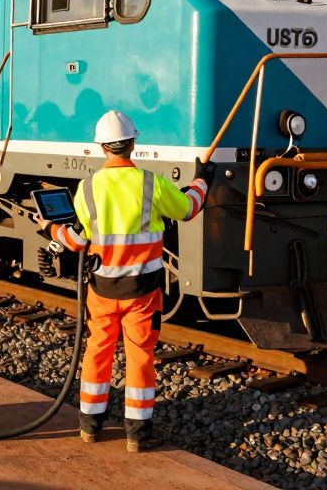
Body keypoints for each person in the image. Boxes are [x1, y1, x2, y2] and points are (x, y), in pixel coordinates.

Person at [34, 109, 213, 453]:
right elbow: (189, 208)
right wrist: (202, 181)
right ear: (132, 144)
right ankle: (137, 434)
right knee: (140, 356)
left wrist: (49, 228)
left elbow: (78, 240)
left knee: (97, 351)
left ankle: (90, 426)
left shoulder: (87, 188)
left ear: (102, 147)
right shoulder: (151, 183)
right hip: (142, 292)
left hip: (102, 290)